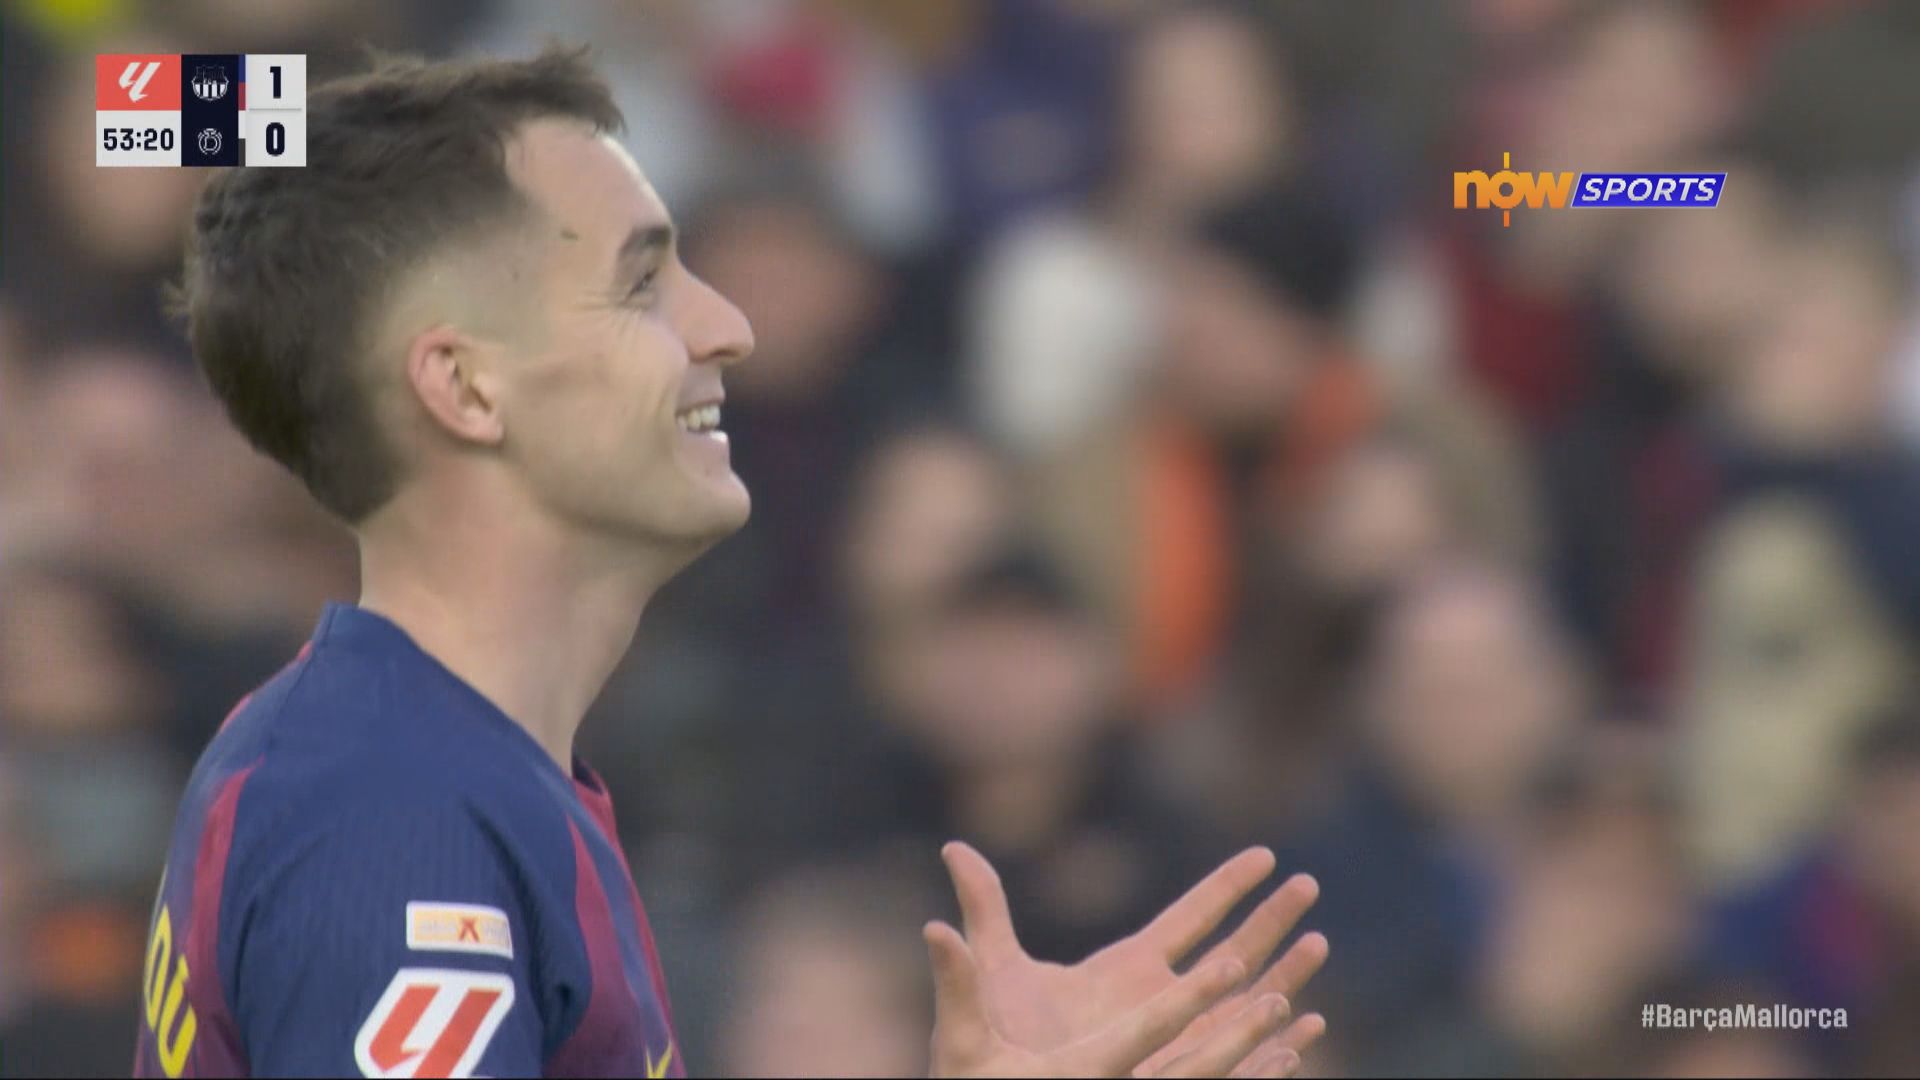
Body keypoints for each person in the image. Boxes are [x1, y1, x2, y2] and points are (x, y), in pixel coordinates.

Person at [133, 48, 1328, 1078]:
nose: (729, 325)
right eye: (642, 281)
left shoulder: (437, 771)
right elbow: (127, 98)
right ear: (466, 387)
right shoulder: (400, 821)